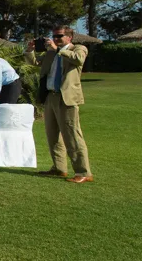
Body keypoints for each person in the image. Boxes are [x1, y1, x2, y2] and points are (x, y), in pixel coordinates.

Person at [25, 26, 93, 184]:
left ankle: (83, 171)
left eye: (59, 36)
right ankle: (59, 168)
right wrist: (30, 50)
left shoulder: (78, 48)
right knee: (52, 134)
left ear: (69, 37)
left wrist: (58, 50)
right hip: (51, 96)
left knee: (72, 135)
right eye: (54, 36)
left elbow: (78, 59)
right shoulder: (52, 52)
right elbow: (35, 62)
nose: (55, 39)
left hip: (66, 98)